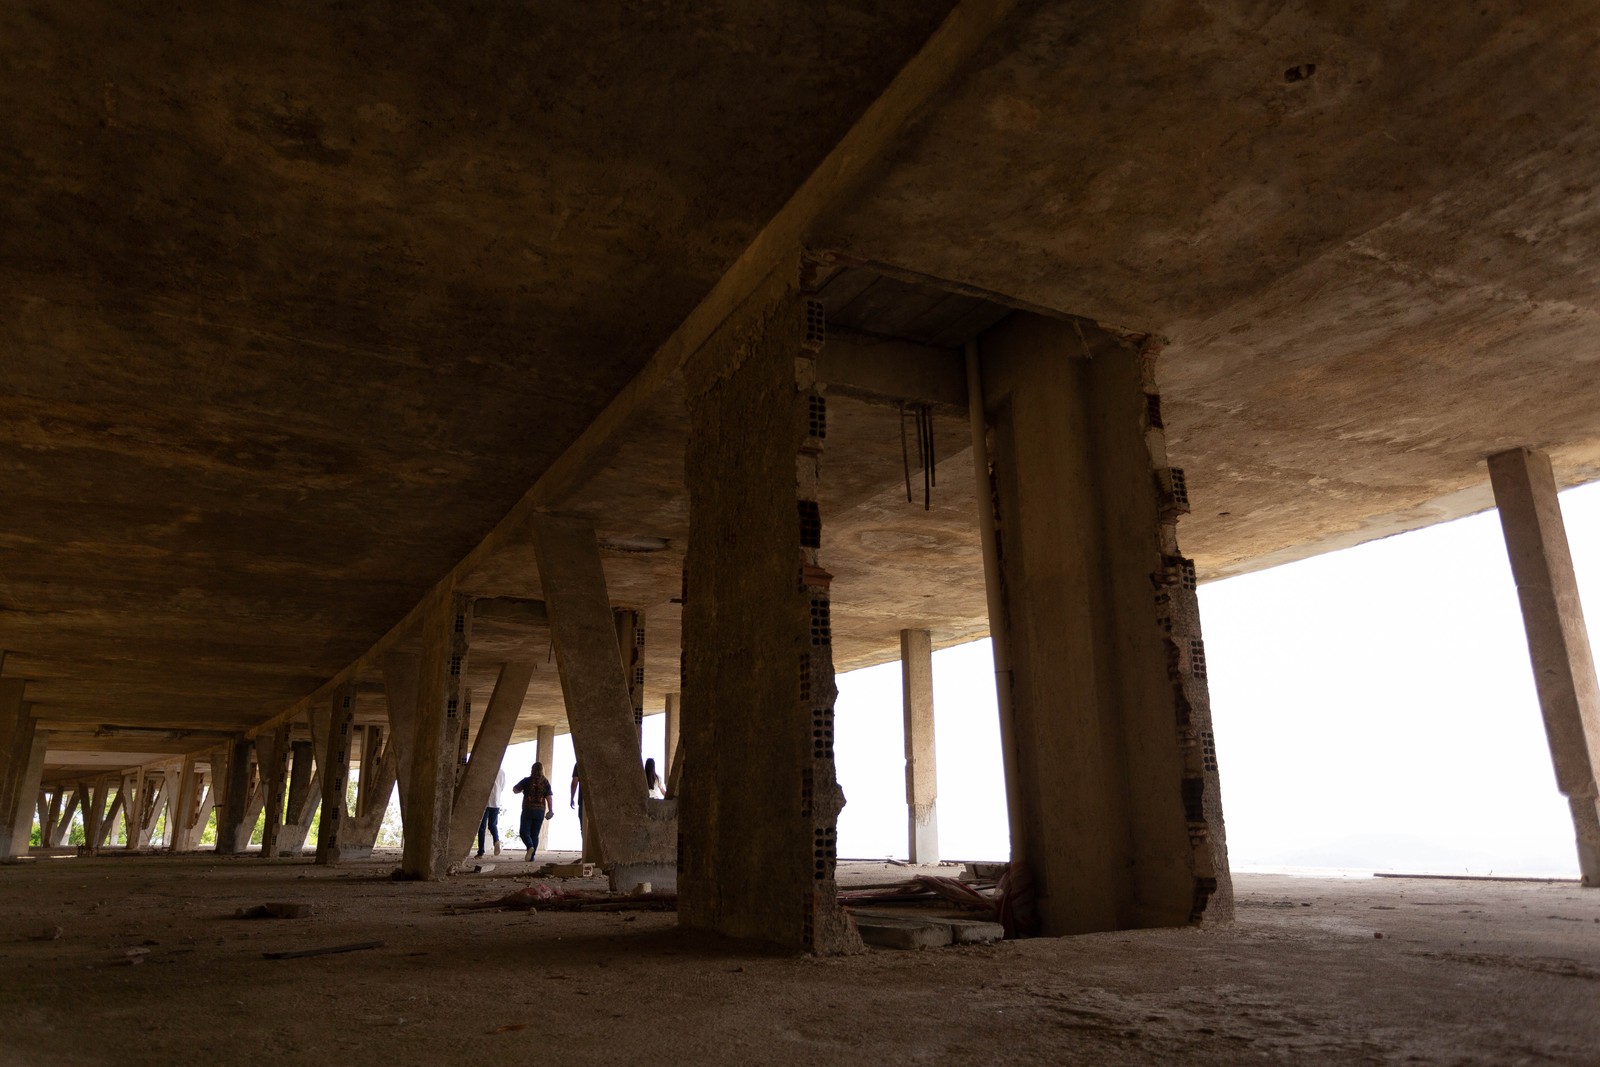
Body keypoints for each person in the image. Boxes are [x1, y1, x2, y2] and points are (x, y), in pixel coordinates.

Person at [512, 762, 554, 862]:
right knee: (535, 834)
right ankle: (532, 856)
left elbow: (514, 790)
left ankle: (529, 846)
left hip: (528, 809)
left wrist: (522, 791)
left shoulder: (527, 781)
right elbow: (549, 798)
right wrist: (551, 810)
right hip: (540, 810)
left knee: (523, 832)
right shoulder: (545, 782)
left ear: (532, 769)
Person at [476, 766, 506, 857]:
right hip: (496, 802)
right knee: (492, 825)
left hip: (485, 802)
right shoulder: (502, 772)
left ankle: (481, 852)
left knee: (482, 827)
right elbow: (502, 787)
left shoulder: (486, 769)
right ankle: (496, 840)